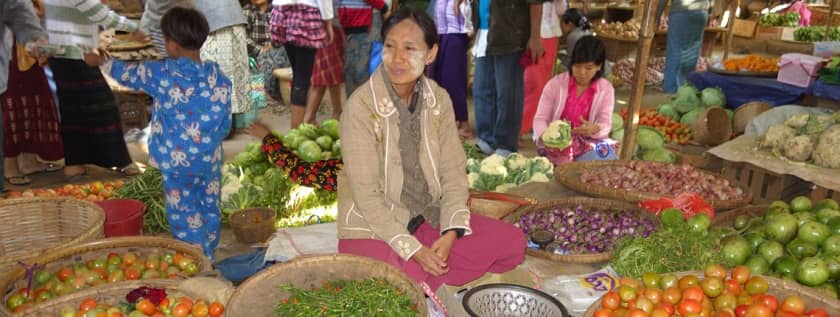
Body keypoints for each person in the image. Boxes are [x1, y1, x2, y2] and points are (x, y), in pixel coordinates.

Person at [335, 8, 525, 292]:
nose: (397, 58)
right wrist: (414, 250)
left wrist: (450, 233)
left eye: (410, 48)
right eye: (390, 46)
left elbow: (452, 173)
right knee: (398, 278)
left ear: (431, 54)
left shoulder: (438, 100)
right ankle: (419, 277)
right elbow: (367, 199)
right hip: (375, 227)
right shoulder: (360, 109)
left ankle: (425, 277)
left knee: (512, 243)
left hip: (428, 218)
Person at [89, 7, 232, 259]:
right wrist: (208, 143)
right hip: (209, 159)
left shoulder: (163, 73)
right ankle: (209, 247)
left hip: (177, 164)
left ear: (173, 45)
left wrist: (101, 60)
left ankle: (200, 260)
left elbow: (126, 73)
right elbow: (225, 124)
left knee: (184, 213)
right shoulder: (219, 77)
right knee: (209, 206)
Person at [44, 0, 144, 178]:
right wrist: (133, 28)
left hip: (60, 51)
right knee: (103, 105)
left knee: (73, 109)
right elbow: (97, 11)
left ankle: (75, 163)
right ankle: (121, 160)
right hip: (74, 52)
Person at [471, 0, 544, 156]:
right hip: (484, 31)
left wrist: (535, 37)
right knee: (482, 89)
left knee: (508, 92)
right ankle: (488, 139)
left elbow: (536, 2)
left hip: (510, 33)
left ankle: (506, 144)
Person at [532, 36, 616, 165]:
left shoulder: (606, 89)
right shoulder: (556, 84)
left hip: (590, 143)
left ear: (599, 66)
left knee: (608, 158)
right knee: (567, 169)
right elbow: (540, 118)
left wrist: (595, 129)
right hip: (559, 144)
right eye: (577, 66)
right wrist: (546, 137)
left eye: (588, 68)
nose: (582, 73)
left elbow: (606, 124)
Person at [1, 0, 52, 188]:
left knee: (30, 103)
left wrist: (36, 38)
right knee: (11, 105)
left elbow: (22, 10)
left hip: (23, 47)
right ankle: (10, 164)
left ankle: (28, 160)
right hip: (10, 52)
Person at [270, 0, 335, 128]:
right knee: (301, 81)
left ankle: (297, 130)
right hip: (305, 15)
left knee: (298, 77)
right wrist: (328, 21)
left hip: (281, 12)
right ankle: (296, 133)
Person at [195, 0, 253, 131]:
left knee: (218, 72)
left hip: (217, 21)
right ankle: (226, 124)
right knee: (229, 71)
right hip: (230, 17)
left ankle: (222, 126)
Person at [428, 0, 473, 139]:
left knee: (453, 78)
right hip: (439, 33)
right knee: (435, 77)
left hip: (456, 34)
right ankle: (443, 120)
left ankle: (464, 123)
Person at [520, 0, 565, 138]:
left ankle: (533, 123)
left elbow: (562, 9)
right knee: (533, 84)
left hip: (551, 34)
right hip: (532, 34)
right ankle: (519, 128)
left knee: (544, 85)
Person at [657, 0, 710, 93]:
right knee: (693, 51)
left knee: (675, 51)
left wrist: (657, 15)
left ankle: (671, 91)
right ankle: (686, 89)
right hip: (702, 11)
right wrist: (709, 11)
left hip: (681, 12)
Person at [338, 0, 389, 96]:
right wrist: (384, 8)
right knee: (359, 71)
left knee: (354, 69)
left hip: (352, 24)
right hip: (357, 24)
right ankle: (358, 103)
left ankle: (355, 102)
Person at [305, 0, 345, 123]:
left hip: (331, 23)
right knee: (325, 72)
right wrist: (327, 24)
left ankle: (336, 112)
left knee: (330, 72)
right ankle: (310, 118)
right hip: (327, 24)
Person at [243, 0, 290, 102]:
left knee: (285, 58)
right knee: (265, 64)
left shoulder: (275, 9)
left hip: (276, 48)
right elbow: (243, 37)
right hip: (257, 52)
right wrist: (260, 49)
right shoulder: (248, 12)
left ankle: (284, 93)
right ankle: (265, 95)